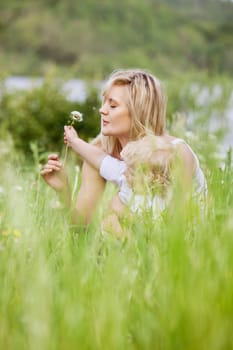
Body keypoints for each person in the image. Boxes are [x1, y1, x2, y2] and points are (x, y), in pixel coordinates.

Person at [40, 69, 207, 228]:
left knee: (117, 210)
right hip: (130, 245)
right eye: (104, 101)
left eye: (112, 106)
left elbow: (177, 229)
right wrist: (64, 193)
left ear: (138, 112)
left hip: (182, 246)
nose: (102, 110)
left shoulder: (175, 154)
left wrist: (124, 216)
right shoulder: (98, 152)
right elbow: (80, 230)